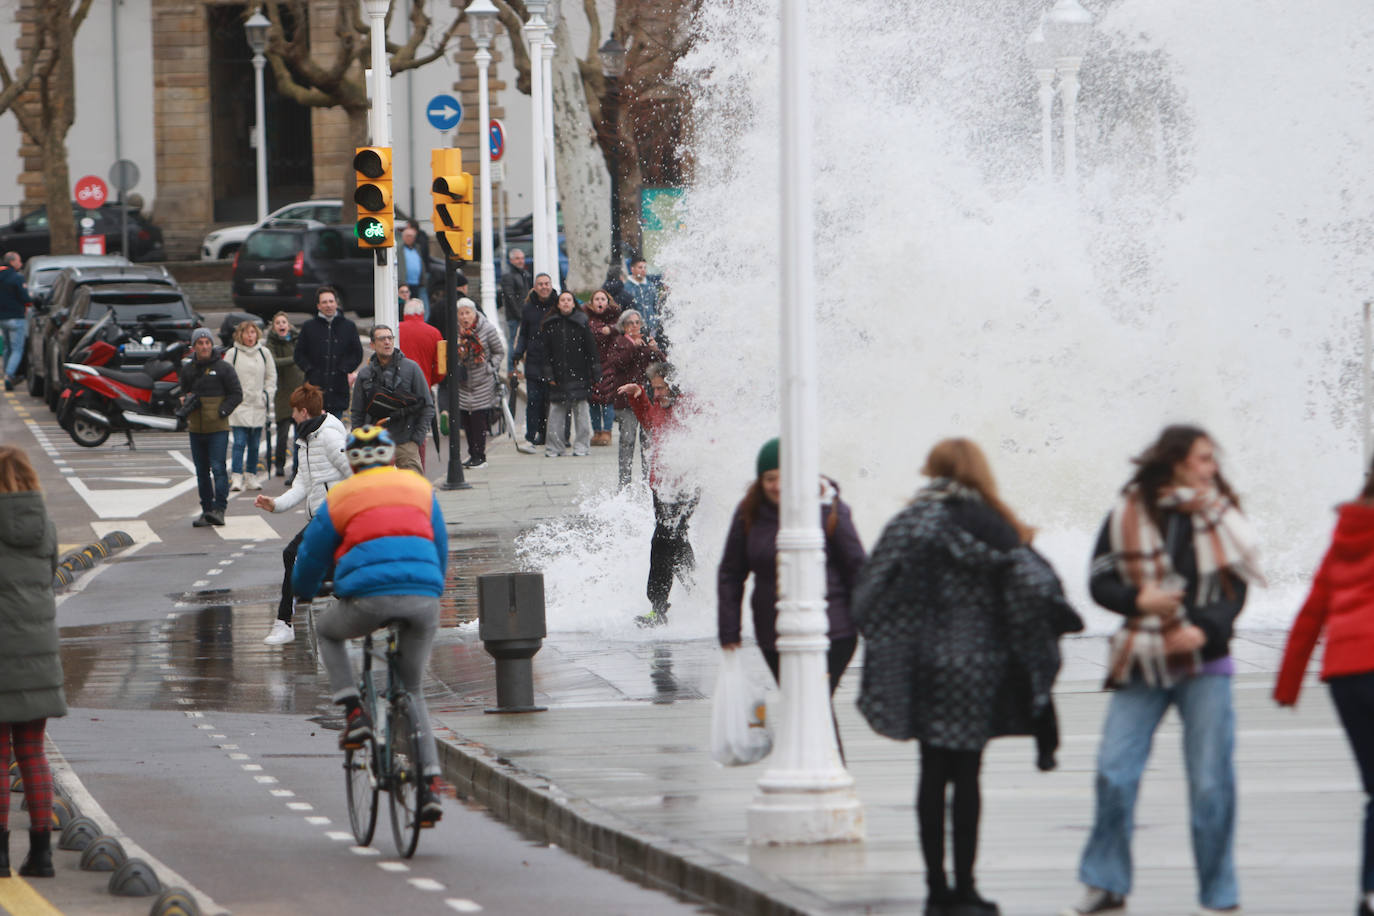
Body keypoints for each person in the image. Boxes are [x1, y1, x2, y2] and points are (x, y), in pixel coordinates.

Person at [852, 438, 1066, 916]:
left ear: (932, 469)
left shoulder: (912, 521)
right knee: (967, 773)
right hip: (977, 668)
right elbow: (1035, 585)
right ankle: (968, 889)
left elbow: (869, 590)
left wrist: (895, 632)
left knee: (931, 772)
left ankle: (936, 890)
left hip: (924, 666)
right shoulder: (994, 523)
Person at [1063, 425, 1263, 916]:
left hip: (1206, 661)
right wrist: (1139, 599)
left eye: (1211, 460)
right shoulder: (1129, 509)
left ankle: (1220, 893)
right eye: (1202, 459)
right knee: (1114, 771)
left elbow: (1236, 589)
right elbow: (1099, 579)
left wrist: (1203, 630)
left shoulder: (1222, 516)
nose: (1210, 468)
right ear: (1175, 461)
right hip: (1142, 659)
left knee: (1212, 782)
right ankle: (1106, 883)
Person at [291, 425, 447, 827]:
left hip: (367, 598)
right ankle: (430, 786)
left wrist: (304, 591)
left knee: (328, 630)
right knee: (412, 691)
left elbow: (310, 554)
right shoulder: (419, 488)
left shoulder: (340, 496)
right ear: (391, 456)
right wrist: (432, 587)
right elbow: (440, 546)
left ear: (352, 462)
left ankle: (353, 710)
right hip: (424, 598)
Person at [717, 437, 866, 753]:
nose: (778, 486)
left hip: (832, 630)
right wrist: (729, 630)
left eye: (785, 476)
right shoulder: (749, 513)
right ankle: (822, 775)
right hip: (775, 631)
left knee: (812, 701)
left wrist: (872, 622)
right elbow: (731, 573)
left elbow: (857, 567)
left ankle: (828, 775)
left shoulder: (828, 509)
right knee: (805, 704)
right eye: (770, 478)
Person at [1274, 466, 1374, 916]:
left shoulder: (1346, 535)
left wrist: (1288, 684)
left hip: (1344, 675)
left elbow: (1314, 609)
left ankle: (1371, 890)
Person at [0, 445, 65, 878]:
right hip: (39, 652)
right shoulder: (45, 525)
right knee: (32, 753)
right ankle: (41, 854)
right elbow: (49, 576)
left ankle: (0, 856)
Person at [254, 383, 351, 646]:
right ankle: (360, 608)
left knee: (292, 554)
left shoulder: (330, 437)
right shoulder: (306, 440)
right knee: (330, 574)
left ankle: (284, 622)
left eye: (294, 411)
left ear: (304, 411)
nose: (293, 416)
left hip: (334, 515)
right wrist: (276, 505)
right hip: (322, 518)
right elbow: (302, 484)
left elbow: (355, 469)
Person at [617, 362, 696, 626]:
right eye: (654, 388)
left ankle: (658, 607)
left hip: (686, 485)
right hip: (661, 485)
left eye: (661, 388)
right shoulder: (660, 407)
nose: (658, 393)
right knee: (677, 539)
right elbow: (649, 422)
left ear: (674, 385)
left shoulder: (688, 407)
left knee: (663, 540)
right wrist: (638, 395)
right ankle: (697, 591)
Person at [349, 325, 433, 476]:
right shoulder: (365, 374)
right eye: (382, 339)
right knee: (379, 494)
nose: (387, 342)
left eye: (390, 338)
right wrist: (360, 440)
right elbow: (357, 411)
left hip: (406, 443)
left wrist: (416, 440)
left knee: (413, 491)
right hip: (374, 445)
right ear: (373, 345)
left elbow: (427, 406)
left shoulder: (411, 368)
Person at [181, 328, 243, 528]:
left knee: (218, 468)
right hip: (196, 429)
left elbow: (236, 394)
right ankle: (206, 510)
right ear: (194, 346)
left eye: (207, 342)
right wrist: (184, 402)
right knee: (201, 472)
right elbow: (183, 392)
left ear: (212, 345)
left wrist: (222, 411)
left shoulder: (223, 368)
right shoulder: (188, 369)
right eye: (200, 343)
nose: (204, 346)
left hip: (218, 428)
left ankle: (219, 509)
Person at [596, 309, 661, 487]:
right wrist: (633, 346)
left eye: (637, 322)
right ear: (623, 327)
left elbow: (661, 365)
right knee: (627, 441)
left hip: (647, 400)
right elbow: (618, 364)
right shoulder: (619, 342)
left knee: (648, 442)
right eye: (630, 323)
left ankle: (650, 482)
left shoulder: (646, 343)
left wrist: (655, 350)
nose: (634, 326)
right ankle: (624, 483)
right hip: (626, 403)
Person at [539, 290, 600, 458]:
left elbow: (591, 350)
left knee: (581, 413)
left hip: (579, 374)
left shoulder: (581, 323)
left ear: (574, 304)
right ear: (558, 304)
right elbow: (545, 353)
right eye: (563, 300)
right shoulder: (551, 324)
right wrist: (549, 374)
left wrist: (595, 372)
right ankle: (554, 447)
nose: (566, 303)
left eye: (569, 300)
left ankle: (582, 446)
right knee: (556, 414)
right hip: (558, 375)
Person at [294, 286, 363, 419]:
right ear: (318, 306)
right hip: (314, 390)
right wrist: (310, 370)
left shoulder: (348, 326)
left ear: (336, 303)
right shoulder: (309, 326)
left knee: (334, 432)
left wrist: (344, 369)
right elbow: (299, 354)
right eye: (324, 302)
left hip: (338, 387)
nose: (328, 305)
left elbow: (356, 353)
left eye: (331, 301)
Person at [453, 298, 505, 469]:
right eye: (461, 313)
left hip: (483, 381)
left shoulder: (487, 329)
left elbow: (499, 352)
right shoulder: (456, 332)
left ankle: (480, 456)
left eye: (467, 312)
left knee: (478, 419)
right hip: (463, 382)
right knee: (466, 420)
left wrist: (490, 368)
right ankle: (472, 454)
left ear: (474, 313)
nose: (464, 317)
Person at [225, 320, 277, 492]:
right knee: (239, 443)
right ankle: (237, 476)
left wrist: (266, 395)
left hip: (258, 405)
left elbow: (271, 377)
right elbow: (225, 377)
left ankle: (251, 475)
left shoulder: (264, 353)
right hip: (239, 405)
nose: (250, 336)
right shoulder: (233, 354)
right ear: (240, 334)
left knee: (255, 444)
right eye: (247, 333)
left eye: (253, 333)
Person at [512, 273, 559, 446]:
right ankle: (532, 434)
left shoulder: (559, 304)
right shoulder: (528, 307)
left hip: (554, 361)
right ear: (535, 287)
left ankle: (550, 434)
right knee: (534, 400)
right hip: (533, 359)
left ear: (551, 285)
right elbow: (523, 333)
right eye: (540, 284)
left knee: (552, 400)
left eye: (547, 283)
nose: (544, 287)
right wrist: (517, 352)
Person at [266, 312, 304, 479]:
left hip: (299, 392)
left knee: (299, 434)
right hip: (282, 393)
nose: (281, 325)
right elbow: (273, 362)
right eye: (278, 323)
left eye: (284, 322)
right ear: (274, 327)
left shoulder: (298, 340)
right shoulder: (271, 343)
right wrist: (294, 358)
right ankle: (279, 464)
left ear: (288, 325)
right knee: (282, 433)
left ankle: (297, 468)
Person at [584, 289, 621, 446]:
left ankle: (607, 431)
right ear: (592, 302)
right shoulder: (585, 318)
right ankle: (596, 431)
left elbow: (622, 332)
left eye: (603, 299)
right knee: (593, 400)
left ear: (608, 301)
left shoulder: (615, 318)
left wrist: (611, 329)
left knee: (607, 399)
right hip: (590, 363)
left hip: (609, 362)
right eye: (597, 299)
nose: (600, 302)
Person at [0, 252, 30, 391]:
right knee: (17, 349)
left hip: (2, 318)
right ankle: (10, 375)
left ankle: (6, 372)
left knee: (7, 347)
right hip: (16, 318)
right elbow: (25, 298)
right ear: (12, 262)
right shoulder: (16, 277)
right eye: (19, 261)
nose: (21, 264)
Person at [499, 248, 532, 368]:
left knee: (522, 343)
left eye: (522, 258)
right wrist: (519, 315)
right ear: (511, 260)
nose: (521, 261)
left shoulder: (523, 274)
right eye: (517, 258)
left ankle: (516, 369)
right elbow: (510, 297)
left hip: (524, 314)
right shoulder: (508, 276)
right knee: (514, 342)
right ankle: (511, 370)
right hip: (515, 316)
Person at [399, 222, 434, 320]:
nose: (409, 238)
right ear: (403, 237)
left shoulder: (417, 249)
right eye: (407, 236)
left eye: (411, 236)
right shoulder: (399, 250)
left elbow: (422, 263)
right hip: (405, 283)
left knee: (420, 304)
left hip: (418, 283)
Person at [624, 256, 659, 335]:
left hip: (652, 327)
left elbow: (656, 306)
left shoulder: (651, 286)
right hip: (634, 328)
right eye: (640, 267)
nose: (643, 270)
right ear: (632, 269)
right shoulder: (626, 287)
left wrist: (656, 322)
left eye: (645, 267)